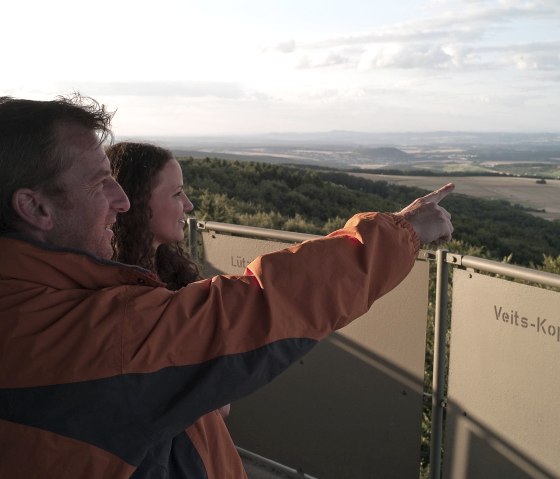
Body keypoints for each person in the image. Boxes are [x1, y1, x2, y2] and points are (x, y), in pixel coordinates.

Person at [0, 94, 454, 479]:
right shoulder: (79, 333)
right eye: (101, 184)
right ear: (35, 207)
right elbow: (263, 303)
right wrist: (402, 232)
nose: (120, 201)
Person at [107, 141, 234, 474]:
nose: (189, 205)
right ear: (135, 202)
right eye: (177, 194)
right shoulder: (113, 297)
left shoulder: (172, 273)